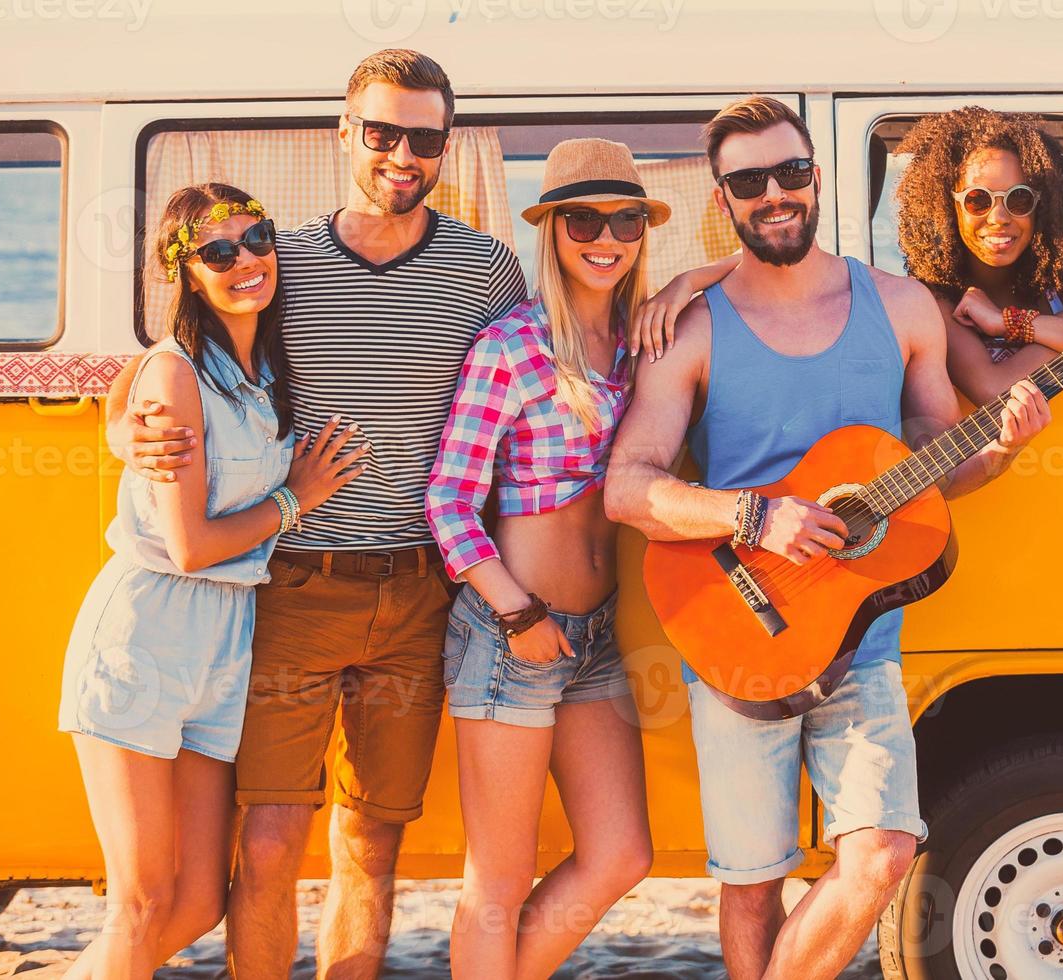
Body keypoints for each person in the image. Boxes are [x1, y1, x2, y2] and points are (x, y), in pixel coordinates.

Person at [604, 96, 1051, 980]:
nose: (775, 193)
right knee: (750, 880)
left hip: (863, 642)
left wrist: (996, 452)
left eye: (791, 172)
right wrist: (753, 515)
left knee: (880, 854)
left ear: (816, 177)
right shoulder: (689, 325)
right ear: (723, 196)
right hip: (735, 626)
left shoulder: (899, 308)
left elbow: (934, 466)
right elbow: (627, 487)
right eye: (749, 180)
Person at [102, 50, 526, 979]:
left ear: (445, 145)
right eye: (381, 132)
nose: (401, 154)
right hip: (289, 584)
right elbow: (173, 349)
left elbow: (537, 376)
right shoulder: (277, 256)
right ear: (346, 132)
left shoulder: (484, 268)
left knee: (372, 844)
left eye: (424, 136)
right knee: (269, 842)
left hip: (419, 591)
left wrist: (693, 288)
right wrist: (118, 431)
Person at [60, 184, 361, 979]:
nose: (245, 260)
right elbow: (190, 547)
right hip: (148, 635)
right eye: (217, 252)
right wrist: (297, 498)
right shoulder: (177, 372)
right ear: (186, 273)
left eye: (255, 239)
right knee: (140, 900)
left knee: (197, 902)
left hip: (224, 643)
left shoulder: (263, 366)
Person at [426, 137, 662, 980]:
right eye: (584, 220)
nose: (606, 238)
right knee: (495, 879)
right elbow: (448, 502)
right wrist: (516, 612)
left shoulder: (645, 342)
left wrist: (694, 282)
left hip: (592, 637)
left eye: (625, 219)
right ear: (552, 231)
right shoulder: (510, 346)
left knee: (622, 854)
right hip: (511, 633)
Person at [894, 106, 1063, 405]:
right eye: (978, 200)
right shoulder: (934, 298)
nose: (999, 217)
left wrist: (1009, 322)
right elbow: (992, 390)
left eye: (1019, 198)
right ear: (947, 206)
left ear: (1042, 205)